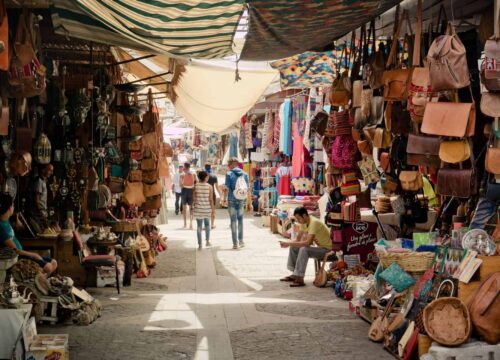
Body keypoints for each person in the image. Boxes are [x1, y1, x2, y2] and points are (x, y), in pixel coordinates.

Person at [0, 193, 57, 275]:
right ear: (9, 208)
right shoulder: (1, 228)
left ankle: (39, 280)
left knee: (54, 262)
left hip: (22, 254)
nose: (13, 207)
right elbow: (16, 251)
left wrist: (18, 222)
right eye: (13, 205)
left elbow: (20, 225)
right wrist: (34, 254)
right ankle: (37, 280)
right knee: (48, 267)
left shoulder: (6, 220)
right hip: (18, 257)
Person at [279, 207, 332, 287]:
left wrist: (289, 243)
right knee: (294, 247)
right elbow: (297, 239)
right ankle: (295, 274)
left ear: (304, 215)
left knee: (304, 250)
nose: (297, 221)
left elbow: (308, 242)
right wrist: (287, 243)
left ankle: (300, 277)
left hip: (328, 250)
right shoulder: (304, 223)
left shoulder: (314, 222)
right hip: (321, 248)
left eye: (298, 218)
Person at [225, 157, 249, 249]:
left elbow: (226, 188)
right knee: (240, 221)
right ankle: (241, 241)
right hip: (241, 200)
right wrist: (249, 203)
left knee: (233, 222)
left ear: (231, 164)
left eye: (228, 165)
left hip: (231, 199)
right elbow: (247, 189)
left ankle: (235, 243)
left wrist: (223, 199)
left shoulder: (229, 174)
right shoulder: (245, 174)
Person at [192, 171, 214, 250]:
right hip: (207, 209)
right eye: (207, 177)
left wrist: (192, 207)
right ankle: (207, 241)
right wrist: (213, 210)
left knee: (199, 226)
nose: (208, 178)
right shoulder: (209, 186)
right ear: (205, 177)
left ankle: (200, 244)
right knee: (207, 225)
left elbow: (193, 199)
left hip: (198, 209)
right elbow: (211, 199)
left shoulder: (195, 186)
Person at [204, 163, 221, 229]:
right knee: (212, 210)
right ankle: (212, 224)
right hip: (212, 194)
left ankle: (205, 225)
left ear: (205, 167)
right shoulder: (214, 176)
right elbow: (217, 187)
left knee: (205, 210)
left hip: (204, 194)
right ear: (210, 167)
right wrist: (220, 195)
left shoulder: (202, 175)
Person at [180, 162, 196, 229]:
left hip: (184, 191)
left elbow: (180, 184)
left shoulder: (182, 174)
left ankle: (185, 224)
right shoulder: (194, 173)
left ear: (185, 167)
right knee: (191, 208)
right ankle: (191, 224)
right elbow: (196, 181)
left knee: (184, 208)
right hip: (191, 191)